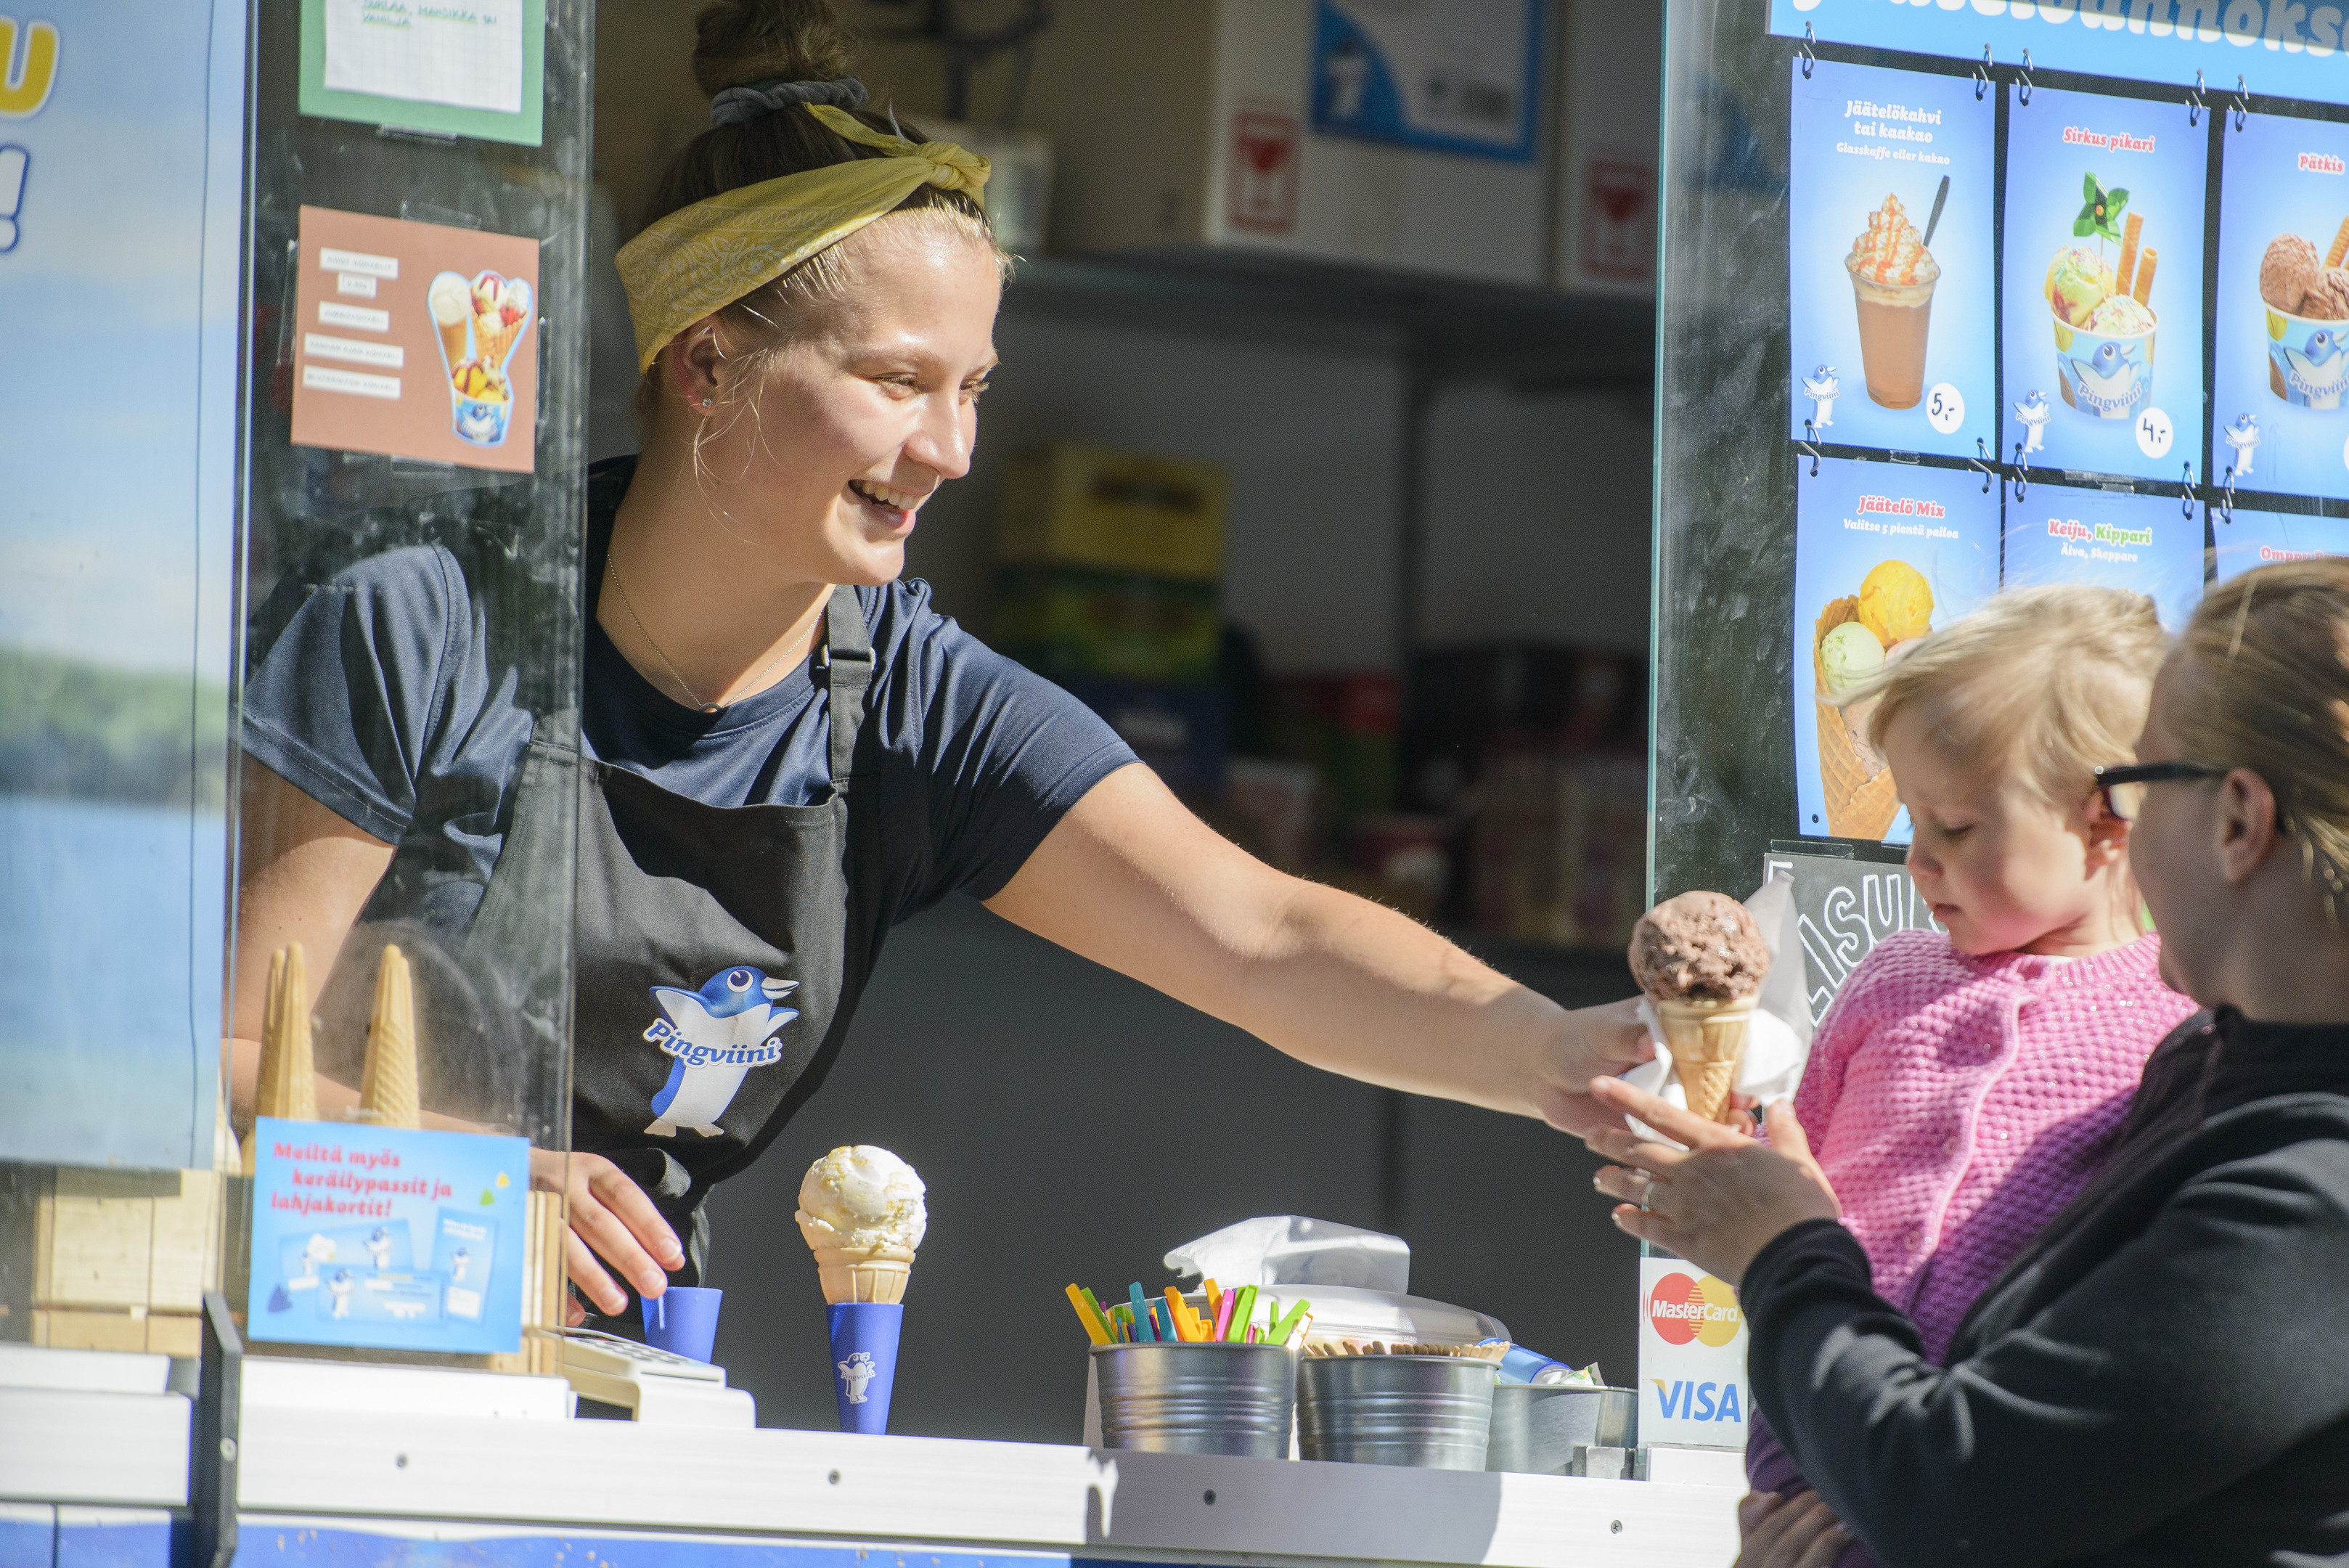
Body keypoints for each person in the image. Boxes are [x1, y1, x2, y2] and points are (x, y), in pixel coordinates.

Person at [229, 0, 1648, 1331]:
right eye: (898, 383)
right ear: (705, 365)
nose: (952, 451)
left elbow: (1262, 936)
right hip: (330, 1349)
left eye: (972, 390)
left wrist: (1552, 1054)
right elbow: (225, 1060)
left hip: (626, 1379)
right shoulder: (424, 623)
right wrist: (459, 1180)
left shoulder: (915, 704)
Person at [1588, 560, 2349, 1567]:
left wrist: (1784, 1250)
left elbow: (1953, 1494)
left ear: (2239, 822)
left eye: (2140, 782)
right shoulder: (2210, 1074)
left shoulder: (2312, 1194)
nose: (2122, 825)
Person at [1744, 587, 2197, 1564]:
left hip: (2004, 1509)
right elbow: (1793, 1173)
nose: (1917, 859)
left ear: (2107, 822)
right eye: (1911, 820)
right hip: (1810, 1480)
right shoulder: (1889, 978)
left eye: (1955, 827)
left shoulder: (2180, 1024)